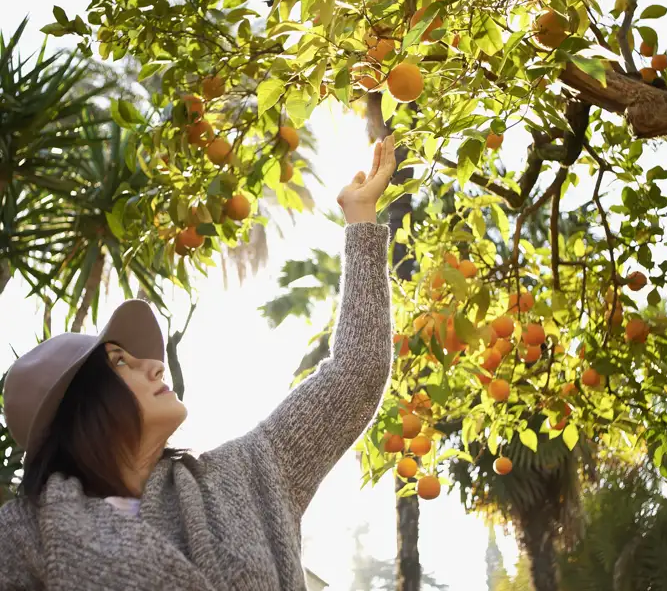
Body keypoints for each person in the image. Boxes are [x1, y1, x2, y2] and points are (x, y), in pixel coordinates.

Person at [0, 135, 398, 590]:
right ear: (79, 408)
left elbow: (355, 374)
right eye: (120, 363)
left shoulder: (250, 472)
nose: (154, 366)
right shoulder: (24, 532)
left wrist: (360, 217)